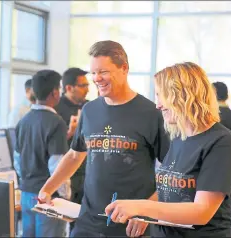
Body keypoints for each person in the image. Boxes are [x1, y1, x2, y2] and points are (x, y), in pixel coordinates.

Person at [38, 40, 170, 237]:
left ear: (124, 68)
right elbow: (75, 156)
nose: (96, 78)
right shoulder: (89, 110)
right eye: (93, 73)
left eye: (103, 72)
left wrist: (148, 211)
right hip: (88, 222)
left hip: (131, 225)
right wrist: (48, 188)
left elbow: (173, 171)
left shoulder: (151, 113)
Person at [105, 62, 231, 237]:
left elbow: (202, 212)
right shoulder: (179, 137)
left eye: (161, 96)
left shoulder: (221, 142)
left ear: (182, 95)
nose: (158, 105)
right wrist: (142, 213)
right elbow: (169, 192)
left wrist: (141, 206)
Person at [14, 69, 70, 237]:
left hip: (26, 193)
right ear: (54, 92)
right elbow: (57, 165)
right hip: (49, 197)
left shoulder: (23, 121)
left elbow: (17, 159)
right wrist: (64, 195)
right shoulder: (56, 123)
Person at [54, 67, 90, 233]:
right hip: (67, 173)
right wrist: (70, 133)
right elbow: (54, 145)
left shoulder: (90, 107)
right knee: (65, 222)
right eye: (83, 85)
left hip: (88, 171)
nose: (87, 89)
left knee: (83, 220)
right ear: (69, 88)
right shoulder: (56, 109)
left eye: (87, 85)